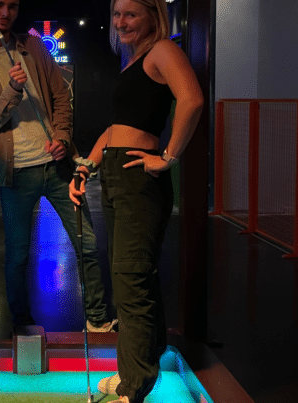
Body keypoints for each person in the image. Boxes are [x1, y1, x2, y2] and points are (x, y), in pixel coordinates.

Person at [70, 0, 204, 402]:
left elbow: (192, 100)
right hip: (115, 175)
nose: (121, 22)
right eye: (117, 14)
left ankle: (135, 383)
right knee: (131, 276)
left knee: (131, 279)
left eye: (131, 13)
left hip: (137, 179)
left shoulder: (163, 49)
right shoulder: (134, 60)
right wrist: (85, 168)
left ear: (152, 14)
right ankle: (138, 367)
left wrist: (168, 157)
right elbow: (114, 129)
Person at [0, 0, 115, 333]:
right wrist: (12, 90)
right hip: (15, 172)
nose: (5, 13)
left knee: (87, 243)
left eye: (12, 6)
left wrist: (62, 135)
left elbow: (61, 97)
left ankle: (98, 320)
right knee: (17, 255)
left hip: (58, 168)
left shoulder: (34, 46)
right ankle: (22, 327)